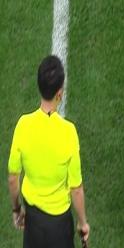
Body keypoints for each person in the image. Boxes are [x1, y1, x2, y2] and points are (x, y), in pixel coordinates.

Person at [7, 55, 90, 247]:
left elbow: (13, 178)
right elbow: (76, 189)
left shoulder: (23, 125)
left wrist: (17, 209)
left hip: (33, 223)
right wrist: (83, 223)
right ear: (59, 93)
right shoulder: (68, 132)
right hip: (59, 226)